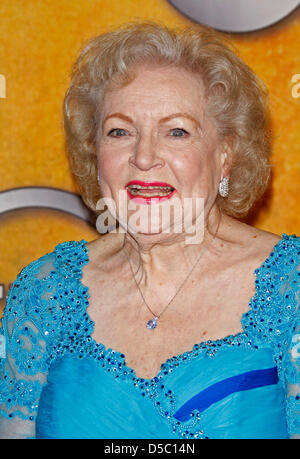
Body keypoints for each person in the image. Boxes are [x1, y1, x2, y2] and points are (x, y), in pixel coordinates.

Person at [0, 22, 299, 440]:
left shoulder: (292, 286)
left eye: (176, 131)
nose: (143, 157)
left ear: (226, 156)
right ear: (95, 151)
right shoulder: (43, 292)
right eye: (119, 131)